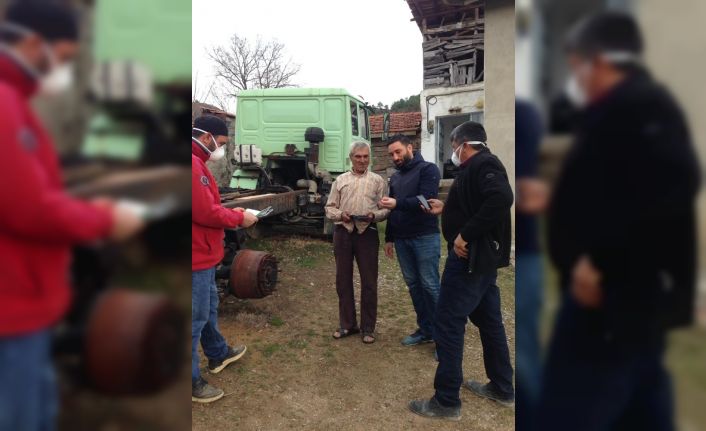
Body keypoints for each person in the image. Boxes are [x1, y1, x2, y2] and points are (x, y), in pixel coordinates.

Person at [537, 12, 701, 430]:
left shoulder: (640, 105)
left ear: (601, 61)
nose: (577, 81)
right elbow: (619, 191)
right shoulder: (621, 108)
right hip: (623, 301)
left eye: (577, 68)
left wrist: (604, 262)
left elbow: (675, 182)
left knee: (569, 410)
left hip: (611, 297)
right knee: (642, 397)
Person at [0, 2, 144, 429]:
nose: (59, 72)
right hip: (12, 306)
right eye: (62, 59)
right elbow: (28, 209)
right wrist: (104, 220)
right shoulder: (5, 105)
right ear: (31, 43)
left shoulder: (17, 103)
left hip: (24, 301)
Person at [408, 121, 515, 421]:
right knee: (490, 321)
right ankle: (503, 388)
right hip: (481, 263)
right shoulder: (475, 168)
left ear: (464, 145)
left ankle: (446, 401)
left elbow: (501, 198)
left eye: (454, 147)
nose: (452, 153)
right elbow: (475, 203)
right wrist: (448, 210)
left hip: (469, 261)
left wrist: (464, 235)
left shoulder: (484, 163)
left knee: (448, 323)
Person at [191, 115, 258, 403]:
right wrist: (240, 218)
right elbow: (205, 212)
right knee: (194, 319)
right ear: (206, 137)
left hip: (203, 254)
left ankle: (217, 354)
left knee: (208, 308)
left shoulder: (197, 164)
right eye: (220, 143)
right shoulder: (192, 167)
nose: (220, 150)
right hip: (194, 256)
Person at [379, 134, 441, 350]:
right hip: (402, 239)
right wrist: (389, 238)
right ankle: (426, 330)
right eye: (391, 154)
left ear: (409, 147)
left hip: (425, 236)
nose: (395, 157)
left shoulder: (428, 169)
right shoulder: (395, 177)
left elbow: (426, 201)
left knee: (431, 286)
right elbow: (392, 210)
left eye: (398, 152)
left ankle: (443, 339)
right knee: (414, 286)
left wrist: (397, 203)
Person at [325, 142, 389, 344]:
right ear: (350, 158)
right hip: (343, 232)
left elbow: (386, 208)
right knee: (343, 280)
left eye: (365, 156)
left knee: (369, 281)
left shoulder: (378, 180)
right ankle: (347, 324)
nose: (362, 160)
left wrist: (374, 215)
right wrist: (340, 214)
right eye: (358, 156)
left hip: (367, 233)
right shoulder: (340, 180)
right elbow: (329, 208)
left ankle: (368, 328)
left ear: (370, 158)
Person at [515, 100, 549, 429]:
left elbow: (531, 192)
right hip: (525, 253)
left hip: (525, 254)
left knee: (525, 356)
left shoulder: (524, 115)